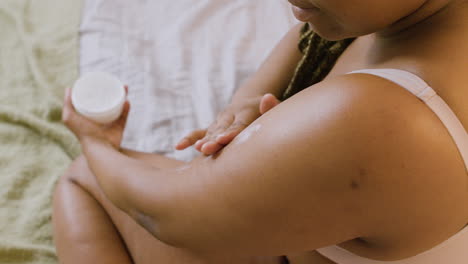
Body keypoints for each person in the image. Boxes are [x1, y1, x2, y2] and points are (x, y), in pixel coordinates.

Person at [53, 0, 468, 263]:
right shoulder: (401, 15)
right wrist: (248, 101)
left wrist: (96, 141)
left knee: (86, 180)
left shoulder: (382, 121)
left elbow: (166, 216)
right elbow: (311, 34)